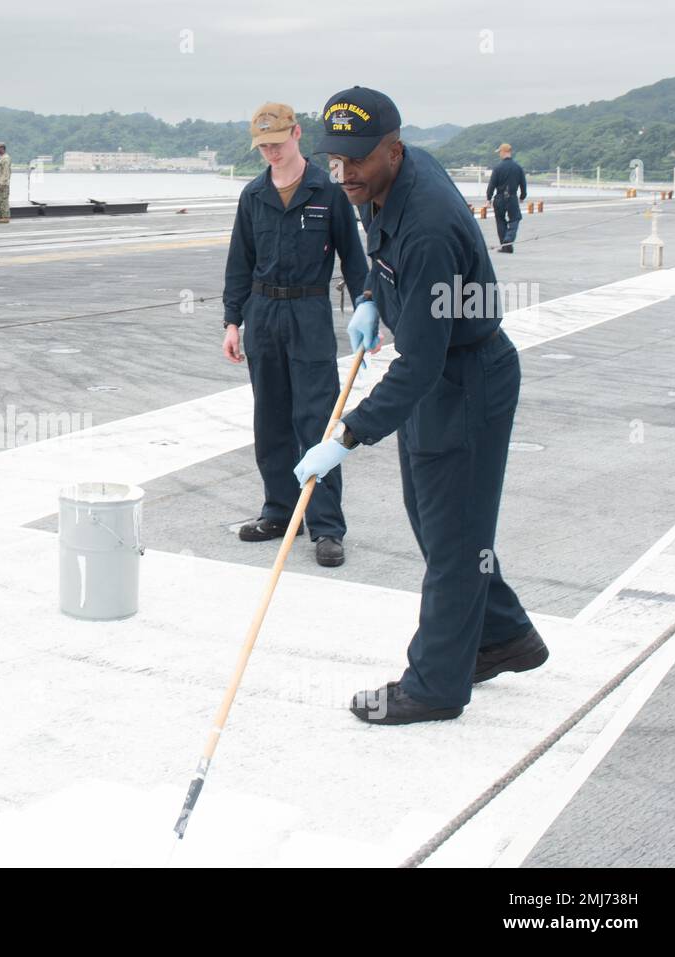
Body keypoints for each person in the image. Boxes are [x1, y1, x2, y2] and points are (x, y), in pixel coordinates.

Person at [294, 87, 547, 724]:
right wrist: (375, 296)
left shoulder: (431, 226)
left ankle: (434, 685)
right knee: (439, 523)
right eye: (335, 160)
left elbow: (421, 366)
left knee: (455, 539)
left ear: (394, 150)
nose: (345, 174)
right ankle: (503, 636)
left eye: (359, 161)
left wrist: (346, 436)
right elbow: (383, 248)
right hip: (443, 375)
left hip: (466, 381)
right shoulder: (387, 178)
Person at [222, 102, 368, 567]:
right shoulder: (253, 195)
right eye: (262, 146)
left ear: (297, 134)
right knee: (271, 419)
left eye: (277, 144)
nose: (270, 153)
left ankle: (326, 526)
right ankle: (280, 512)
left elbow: (354, 258)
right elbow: (239, 262)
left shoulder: (328, 191)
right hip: (262, 313)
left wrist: (369, 307)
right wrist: (232, 321)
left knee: (317, 421)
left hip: (308, 312)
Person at [487, 142, 527, 253]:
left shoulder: (498, 168)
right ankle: (508, 239)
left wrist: (488, 198)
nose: (499, 154)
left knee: (500, 221)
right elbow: (523, 184)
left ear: (504, 152)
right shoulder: (518, 168)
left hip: (499, 197)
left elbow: (492, 184)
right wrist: (522, 196)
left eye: (500, 152)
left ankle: (505, 245)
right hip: (512, 197)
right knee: (515, 218)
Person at [0, 143, 12, 222]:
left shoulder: (6, 158)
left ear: (2, 148)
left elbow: (6, 172)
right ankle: (1, 216)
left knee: (4, 200)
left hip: (3, 184)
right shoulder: (1, 158)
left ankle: (6, 217)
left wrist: (3, 183)